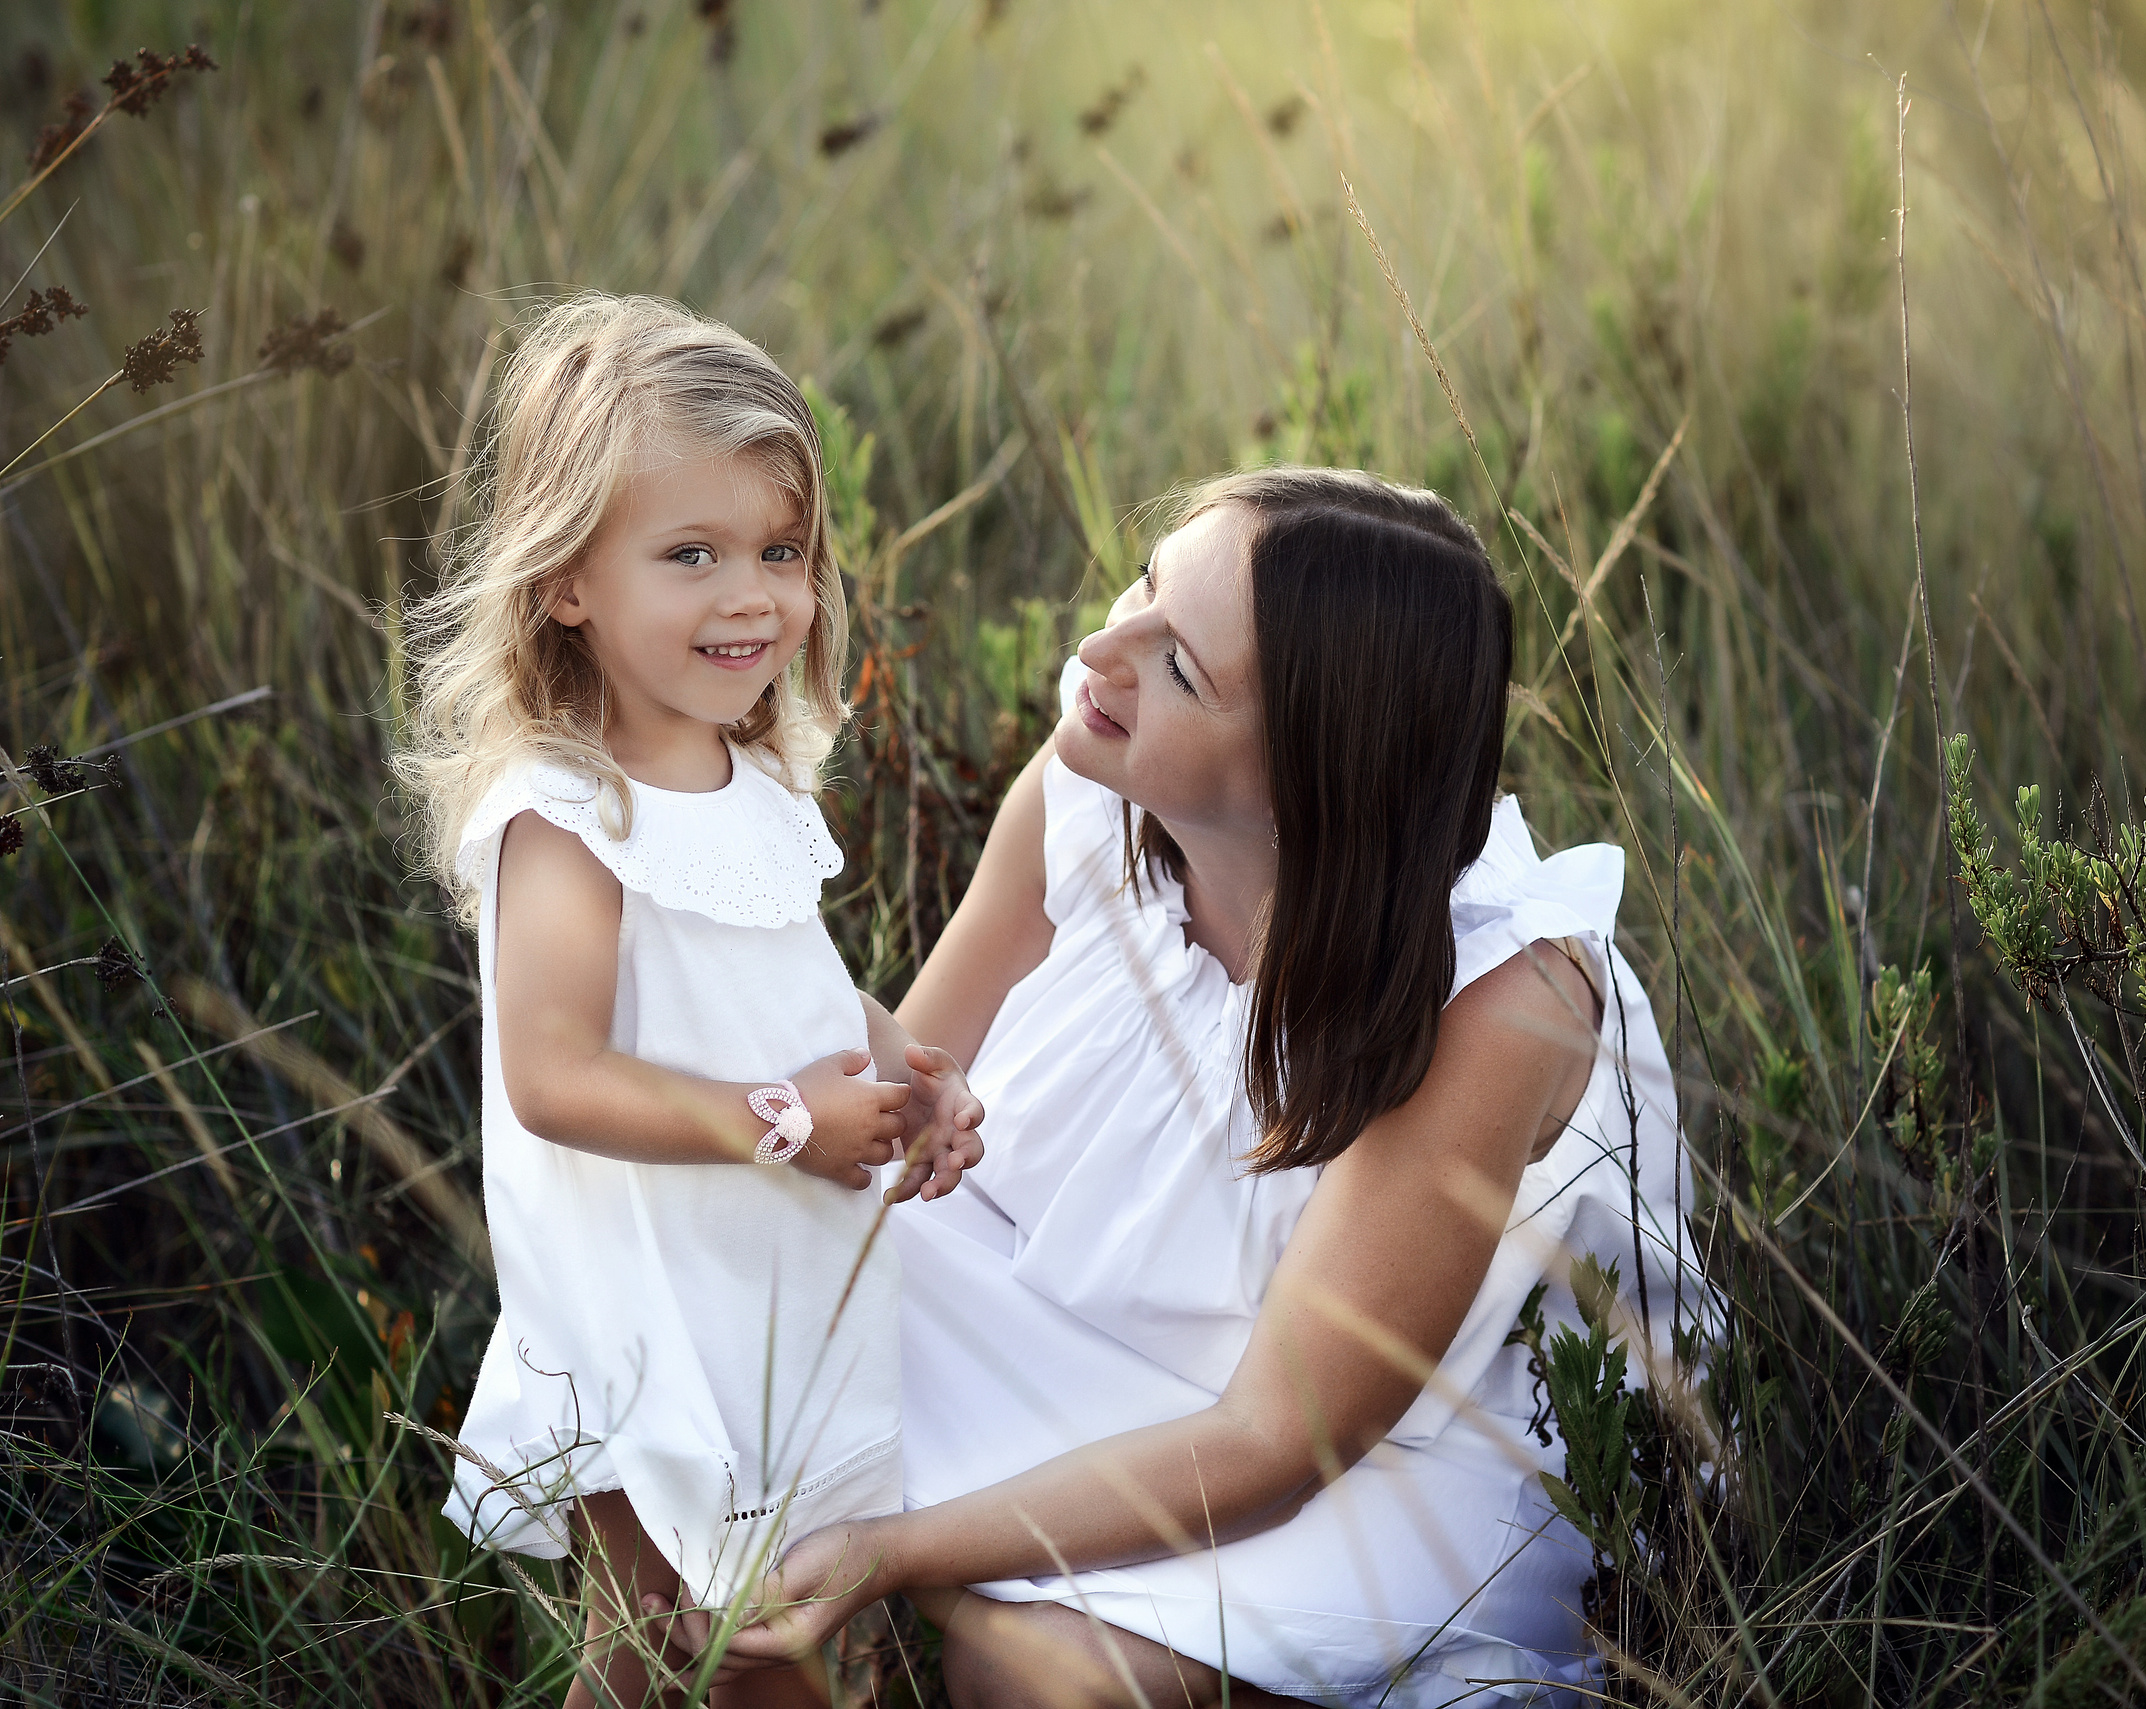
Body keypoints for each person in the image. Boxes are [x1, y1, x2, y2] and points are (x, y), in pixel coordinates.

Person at [671, 467, 1695, 1706]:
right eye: (1146, 588)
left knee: (1036, 1672)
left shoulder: (1499, 1000)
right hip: (1066, 1333)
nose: (1102, 648)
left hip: (1382, 1453)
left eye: (1181, 667)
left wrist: (895, 1552)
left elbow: (1279, 1440)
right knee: (703, 1340)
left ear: (1311, 778)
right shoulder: (1090, 782)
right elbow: (881, 1163)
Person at [394, 294, 985, 1708]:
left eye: (781, 551)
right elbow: (554, 1074)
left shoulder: (755, 772)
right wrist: (786, 1120)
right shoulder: (566, 810)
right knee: (708, 1650)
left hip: (767, 1282)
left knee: (726, 1648)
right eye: (692, 554)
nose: (753, 597)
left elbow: (782, 978)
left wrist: (913, 1069)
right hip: (650, 1300)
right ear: (565, 581)